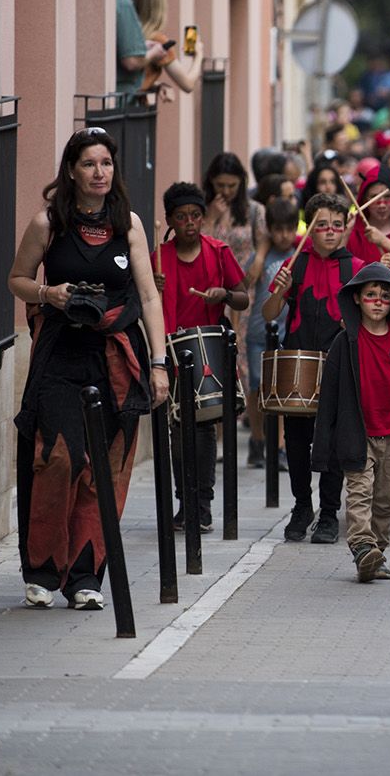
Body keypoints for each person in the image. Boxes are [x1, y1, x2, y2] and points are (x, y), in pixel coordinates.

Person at [6, 128, 168, 610]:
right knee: (57, 459)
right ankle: (41, 570)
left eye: (106, 164)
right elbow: (17, 279)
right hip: (60, 355)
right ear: (72, 171)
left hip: (116, 357)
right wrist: (48, 295)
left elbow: (149, 296)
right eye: (90, 164)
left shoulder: (130, 225)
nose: (100, 172)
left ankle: (85, 578)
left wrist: (159, 364)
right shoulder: (47, 224)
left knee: (106, 469)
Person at [312, 264, 390, 583]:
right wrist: (323, 447)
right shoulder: (343, 344)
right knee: (359, 493)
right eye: (370, 295)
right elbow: (328, 400)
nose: (377, 301)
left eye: (385, 296)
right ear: (357, 299)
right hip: (357, 432)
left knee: (387, 501)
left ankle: (376, 553)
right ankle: (362, 547)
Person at [153, 183, 250, 529]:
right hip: (172, 350)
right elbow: (143, 301)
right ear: (170, 220)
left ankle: (203, 505)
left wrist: (224, 294)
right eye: (181, 217)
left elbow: (242, 298)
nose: (190, 223)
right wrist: (152, 286)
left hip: (208, 347)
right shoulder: (159, 259)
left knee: (206, 427)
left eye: (195, 216)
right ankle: (185, 502)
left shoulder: (219, 251)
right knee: (178, 430)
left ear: (203, 218)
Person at [263, 193, 356, 543]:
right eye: (321, 226)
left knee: (333, 444)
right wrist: (279, 292)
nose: (329, 232)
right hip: (299, 364)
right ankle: (302, 506)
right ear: (310, 229)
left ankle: (330, 514)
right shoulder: (294, 265)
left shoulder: (355, 268)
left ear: (346, 228)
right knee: (298, 441)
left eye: (336, 225)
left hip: (338, 366)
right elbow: (269, 314)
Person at [246, 198, 300, 468]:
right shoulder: (261, 256)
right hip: (258, 330)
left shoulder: (300, 252)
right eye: (278, 229)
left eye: (289, 229)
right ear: (269, 229)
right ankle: (257, 440)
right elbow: (247, 286)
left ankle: (278, 445)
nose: (284, 235)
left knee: (281, 390)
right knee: (256, 386)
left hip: (286, 331)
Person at [203, 152, 269, 295]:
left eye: (232, 185)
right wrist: (211, 219)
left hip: (246, 289)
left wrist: (259, 259)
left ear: (241, 182)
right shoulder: (201, 210)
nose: (226, 191)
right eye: (220, 185)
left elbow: (263, 238)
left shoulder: (254, 210)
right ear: (211, 181)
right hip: (211, 288)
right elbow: (198, 245)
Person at [114, 0, 167, 98]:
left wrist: (142, 46)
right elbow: (132, 61)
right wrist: (153, 54)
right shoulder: (123, 2)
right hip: (122, 104)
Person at [133, 0, 198, 99]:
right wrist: (199, 56)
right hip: (136, 111)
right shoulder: (158, 41)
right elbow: (188, 85)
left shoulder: (130, 35)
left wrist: (155, 85)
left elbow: (135, 81)